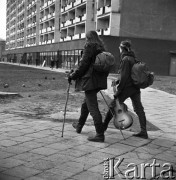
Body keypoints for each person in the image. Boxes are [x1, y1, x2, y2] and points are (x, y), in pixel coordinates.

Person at [68, 31, 108, 142]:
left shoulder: (89, 46)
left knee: (93, 108)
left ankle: (100, 134)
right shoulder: (101, 48)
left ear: (88, 38)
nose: (85, 40)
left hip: (90, 81)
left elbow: (83, 65)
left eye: (86, 38)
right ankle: (79, 125)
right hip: (98, 81)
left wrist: (73, 75)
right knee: (85, 104)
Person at [103, 40, 148, 139]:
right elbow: (128, 74)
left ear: (121, 48)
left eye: (119, 48)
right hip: (135, 88)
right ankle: (144, 131)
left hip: (126, 88)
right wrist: (117, 81)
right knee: (139, 109)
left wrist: (118, 90)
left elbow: (124, 77)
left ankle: (103, 127)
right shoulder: (133, 58)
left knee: (113, 106)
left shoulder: (125, 59)